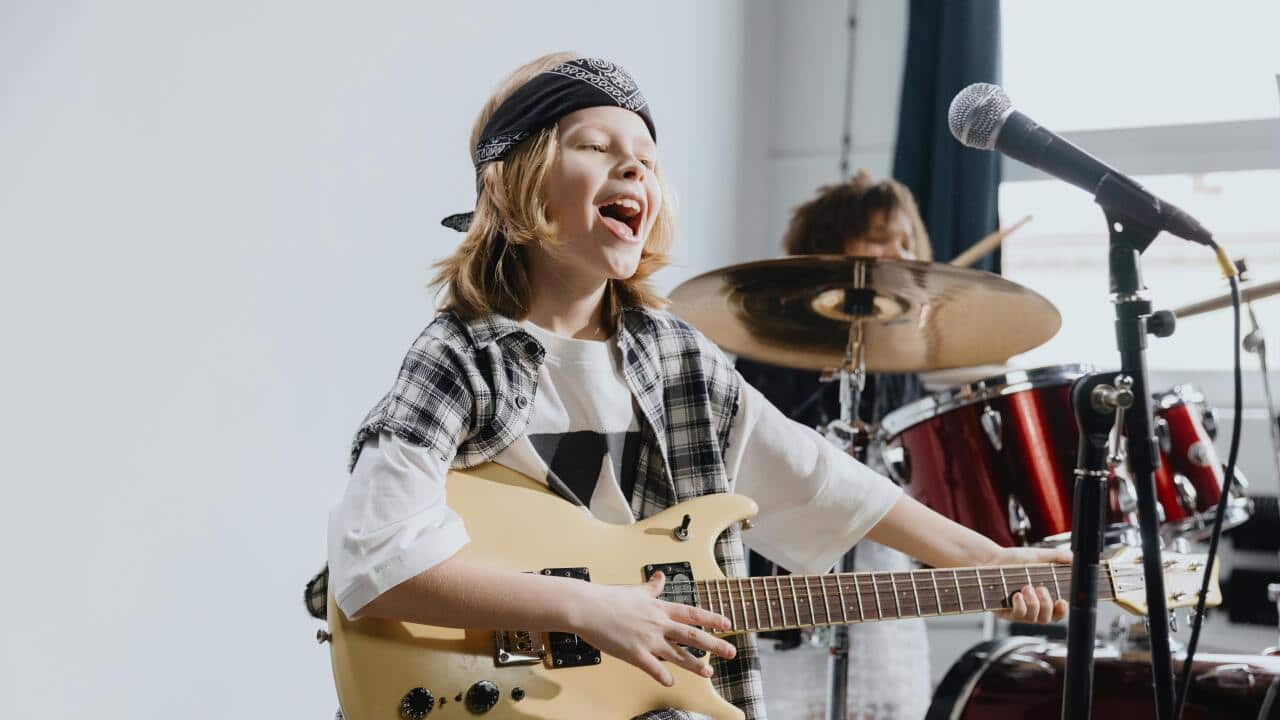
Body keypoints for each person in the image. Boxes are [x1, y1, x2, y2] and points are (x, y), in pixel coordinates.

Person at [325, 52, 1067, 720]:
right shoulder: (462, 355)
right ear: (512, 184)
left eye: (647, 160)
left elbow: (818, 475)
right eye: (595, 147)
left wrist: (986, 560)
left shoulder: (673, 355)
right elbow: (377, 564)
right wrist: (587, 607)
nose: (633, 168)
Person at [736, 171, 938, 719]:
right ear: (830, 247)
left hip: (882, 560)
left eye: (906, 242)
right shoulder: (775, 345)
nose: (898, 254)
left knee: (889, 700)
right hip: (793, 560)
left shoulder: (902, 356)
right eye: (878, 238)